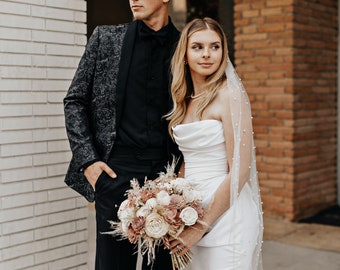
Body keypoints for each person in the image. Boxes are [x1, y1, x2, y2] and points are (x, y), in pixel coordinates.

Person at [63, 1, 180, 269]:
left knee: (162, 266)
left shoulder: (186, 46)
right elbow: (75, 100)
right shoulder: (105, 38)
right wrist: (89, 162)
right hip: (115, 176)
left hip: (168, 180)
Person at [167, 17, 264, 269]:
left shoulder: (228, 95)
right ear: (185, 53)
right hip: (192, 210)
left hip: (227, 216)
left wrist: (201, 226)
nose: (207, 54)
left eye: (215, 46)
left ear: (223, 52)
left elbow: (240, 170)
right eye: (198, 46)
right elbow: (190, 161)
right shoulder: (185, 100)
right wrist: (170, 203)